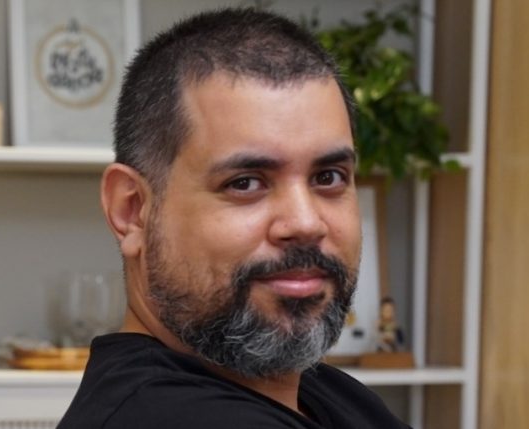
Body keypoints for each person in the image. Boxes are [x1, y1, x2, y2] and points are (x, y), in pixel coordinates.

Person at [58, 7, 410, 429]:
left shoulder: (318, 391)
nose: (305, 223)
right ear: (131, 211)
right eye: (245, 183)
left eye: (328, 177)